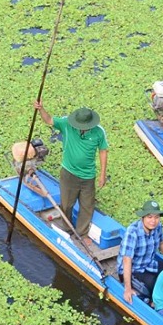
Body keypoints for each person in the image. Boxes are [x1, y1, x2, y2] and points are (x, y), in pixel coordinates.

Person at [33, 100, 107, 238]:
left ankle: (81, 233)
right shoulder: (66, 124)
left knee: (87, 206)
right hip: (69, 173)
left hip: (88, 175)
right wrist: (41, 109)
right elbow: (49, 120)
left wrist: (103, 174)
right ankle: (67, 228)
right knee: (67, 204)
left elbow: (103, 151)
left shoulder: (99, 132)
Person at [118, 199, 163, 300]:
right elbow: (126, 260)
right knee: (156, 285)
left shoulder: (157, 226)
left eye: (156, 217)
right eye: (149, 217)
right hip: (134, 269)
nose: (153, 221)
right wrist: (127, 289)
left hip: (149, 264)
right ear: (143, 217)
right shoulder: (132, 232)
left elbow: (162, 243)